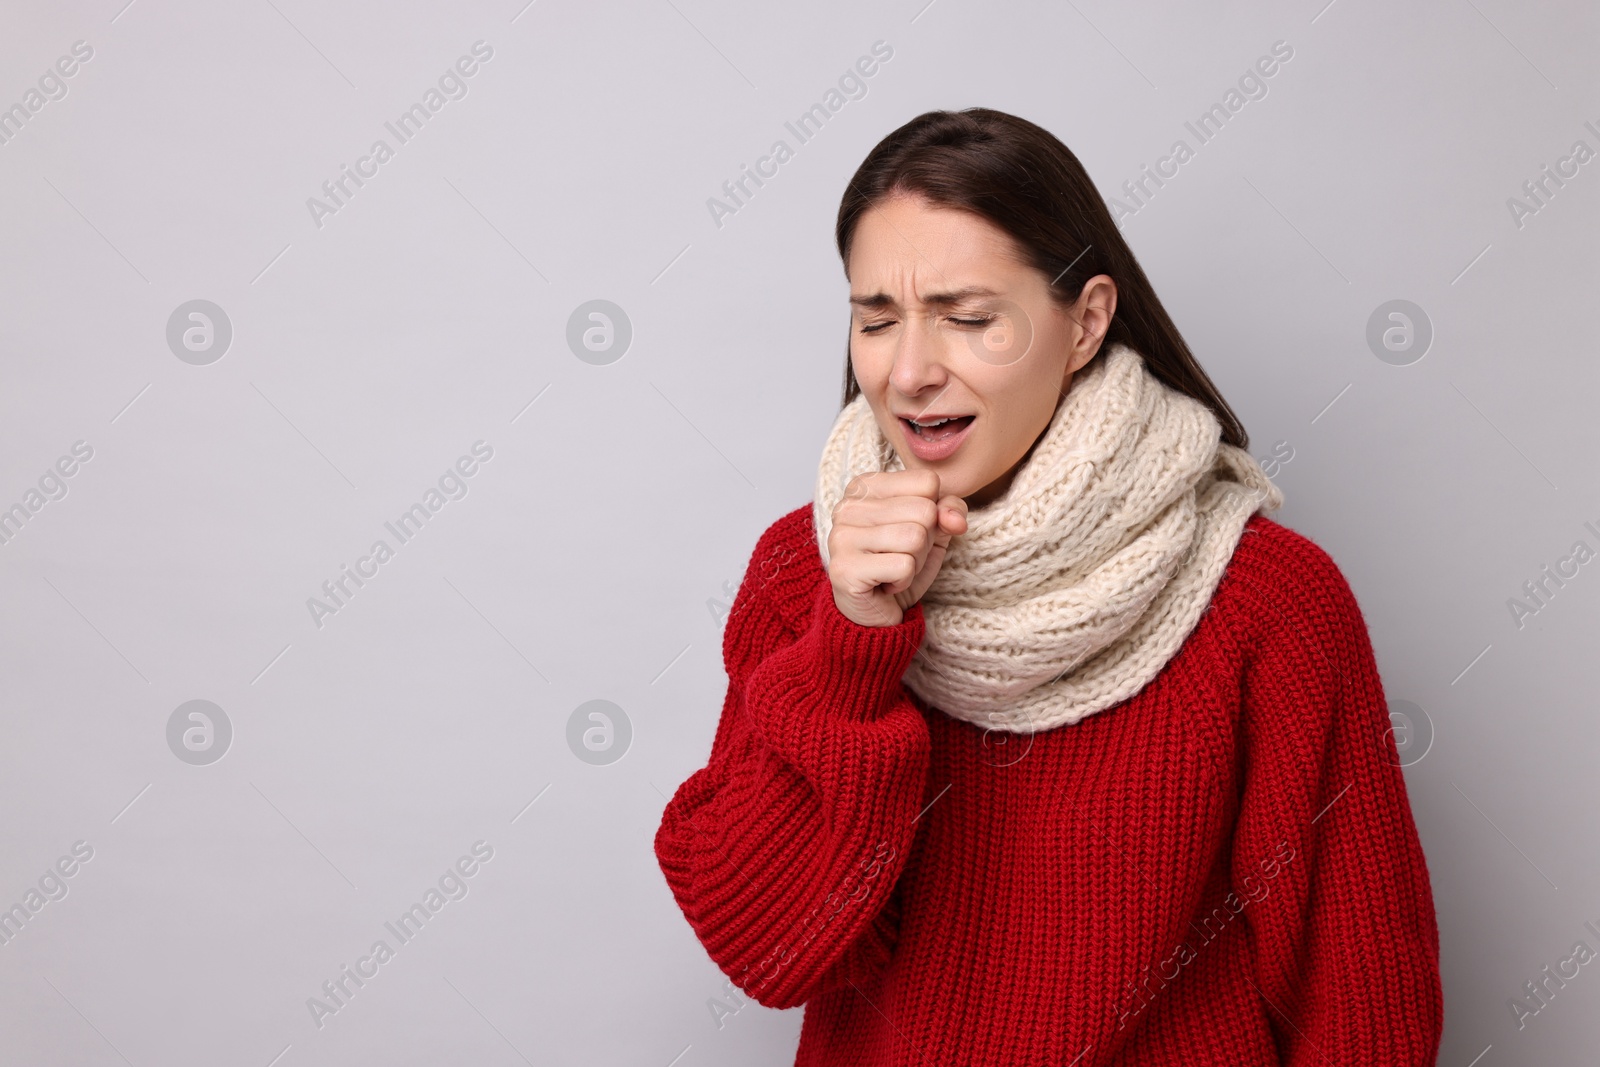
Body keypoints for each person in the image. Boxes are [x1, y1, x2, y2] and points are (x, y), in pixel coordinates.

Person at [654, 107, 1443, 1066]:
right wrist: (855, 640)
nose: (908, 372)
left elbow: (1360, 1001)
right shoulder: (804, 572)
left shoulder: (1266, 597)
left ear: (1087, 321)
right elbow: (770, 948)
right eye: (876, 319)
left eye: (969, 318)